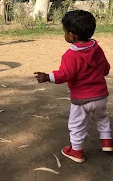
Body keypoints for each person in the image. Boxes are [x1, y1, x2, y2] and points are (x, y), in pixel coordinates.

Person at [34, 10, 113, 163]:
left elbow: (64, 74)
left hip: (82, 100)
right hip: (101, 96)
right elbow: (106, 69)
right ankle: (107, 142)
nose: (64, 35)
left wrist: (47, 77)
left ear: (72, 35)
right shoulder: (97, 49)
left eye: (64, 32)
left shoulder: (70, 56)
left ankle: (76, 151)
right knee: (102, 118)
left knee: (76, 125)